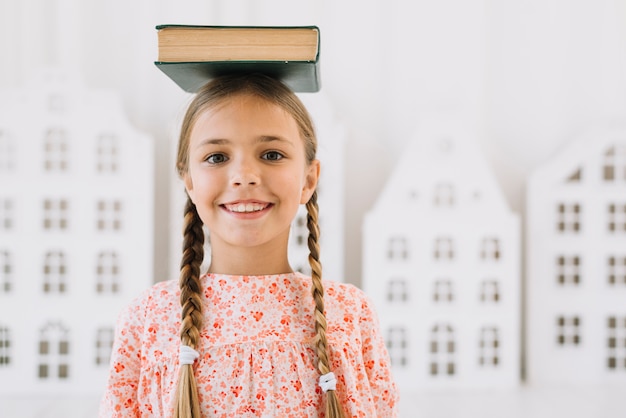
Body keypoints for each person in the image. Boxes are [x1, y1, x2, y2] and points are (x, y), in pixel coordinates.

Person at [99, 73, 398, 417]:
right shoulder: (148, 318)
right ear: (190, 182)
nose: (244, 175)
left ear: (309, 180)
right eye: (216, 157)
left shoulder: (351, 314)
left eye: (271, 154)